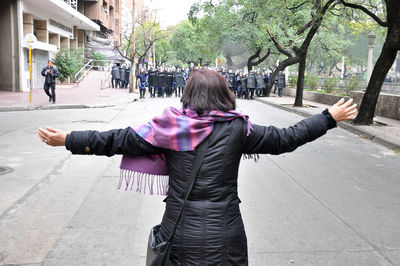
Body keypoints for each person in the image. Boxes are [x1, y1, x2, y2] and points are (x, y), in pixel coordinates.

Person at [37, 69, 357, 265]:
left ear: (189, 94)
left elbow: (115, 140)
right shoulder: (238, 128)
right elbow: (287, 138)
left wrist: (68, 139)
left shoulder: (167, 128)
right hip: (227, 233)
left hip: (179, 231)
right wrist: (328, 118)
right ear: (224, 95)